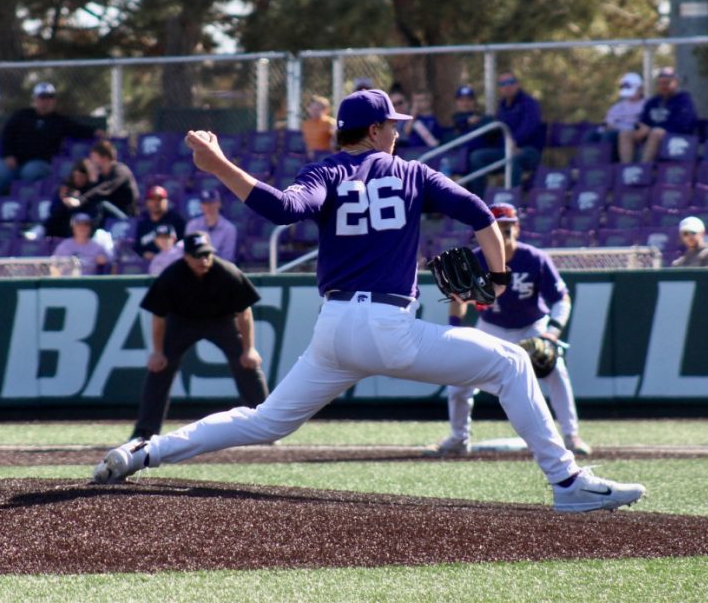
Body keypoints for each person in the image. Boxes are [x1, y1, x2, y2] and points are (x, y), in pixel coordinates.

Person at [92, 88, 645, 513]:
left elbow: (283, 209)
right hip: (388, 327)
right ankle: (568, 481)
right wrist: (498, 280)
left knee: (266, 422)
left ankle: (146, 450)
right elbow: (483, 217)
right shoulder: (411, 171)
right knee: (511, 362)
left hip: (333, 329)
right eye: (393, 127)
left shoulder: (326, 170)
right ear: (376, 129)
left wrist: (220, 168)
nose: (398, 135)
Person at [432, 203, 592, 459]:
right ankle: (459, 438)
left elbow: (562, 299)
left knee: (556, 371)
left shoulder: (534, 258)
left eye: (508, 227)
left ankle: (571, 435)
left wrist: (552, 333)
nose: (504, 233)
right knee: (458, 379)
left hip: (532, 326)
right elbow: (458, 298)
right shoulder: (475, 258)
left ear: (517, 227)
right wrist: (455, 330)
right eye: (498, 228)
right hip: (491, 327)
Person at [127, 231, 269, 441]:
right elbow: (159, 316)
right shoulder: (172, 275)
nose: (203, 260)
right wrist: (157, 352)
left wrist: (249, 348)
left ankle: (266, 425)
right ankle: (145, 431)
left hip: (222, 321)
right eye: (197, 256)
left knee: (247, 363)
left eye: (207, 255)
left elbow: (244, 312)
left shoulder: (227, 272)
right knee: (159, 367)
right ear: (186, 256)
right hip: (182, 322)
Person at [0, 82, 100, 197]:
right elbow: (6, 136)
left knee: (29, 172)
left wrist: (95, 132)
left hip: (41, 163)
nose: (46, 101)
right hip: (14, 160)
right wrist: (8, 155)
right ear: (35, 99)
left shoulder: (59, 121)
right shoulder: (22, 115)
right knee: (0, 173)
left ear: (53, 100)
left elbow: (78, 129)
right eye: (42, 97)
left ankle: (24, 206)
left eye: (49, 97)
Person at [468, 73, 547, 193]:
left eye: (510, 82)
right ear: (499, 88)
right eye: (503, 84)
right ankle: (479, 201)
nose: (507, 86)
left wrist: (514, 142)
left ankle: (512, 200)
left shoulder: (529, 103)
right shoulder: (502, 106)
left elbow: (529, 127)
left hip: (527, 150)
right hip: (505, 150)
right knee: (477, 157)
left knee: (512, 160)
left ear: (517, 84)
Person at [619, 67, 698, 164]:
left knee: (656, 132)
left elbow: (685, 124)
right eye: (661, 83)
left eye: (667, 83)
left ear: (676, 82)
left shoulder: (683, 99)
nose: (663, 86)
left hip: (678, 136)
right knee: (625, 133)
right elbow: (644, 120)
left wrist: (653, 128)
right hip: (654, 133)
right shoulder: (653, 101)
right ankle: (626, 168)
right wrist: (642, 128)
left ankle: (644, 167)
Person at [67, 139, 140, 222]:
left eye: (94, 157)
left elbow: (104, 190)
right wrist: (92, 181)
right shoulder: (101, 175)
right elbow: (92, 194)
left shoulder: (121, 171)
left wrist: (80, 200)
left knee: (100, 205)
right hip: (109, 217)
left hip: (126, 218)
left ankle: (91, 234)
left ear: (104, 158)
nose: (92, 161)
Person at [589, 72, 645, 159]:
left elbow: (640, 125)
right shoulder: (618, 106)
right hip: (612, 130)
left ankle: (606, 167)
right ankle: (588, 167)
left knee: (608, 136)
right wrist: (606, 126)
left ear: (640, 89)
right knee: (591, 135)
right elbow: (607, 122)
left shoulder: (646, 105)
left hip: (628, 134)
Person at [42, 158, 99, 238]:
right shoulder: (65, 188)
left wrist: (77, 203)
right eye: (76, 176)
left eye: (81, 177)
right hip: (62, 226)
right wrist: (63, 201)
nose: (78, 179)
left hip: (82, 226)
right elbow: (53, 211)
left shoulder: (91, 191)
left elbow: (92, 214)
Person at [184, 188, 238, 262]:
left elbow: (227, 257)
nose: (208, 207)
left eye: (212, 203)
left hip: (219, 268)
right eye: (205, 203)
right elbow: (187, 251)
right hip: (195, 266)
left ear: (219, 204)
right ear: (201, 206)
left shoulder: (229, 229)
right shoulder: (192, 225)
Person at [134, 185, 186, 260]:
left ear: (166, 201)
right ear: (147, 202)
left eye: (160, 199)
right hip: (148, 265)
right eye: (152, 199)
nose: (156, 202)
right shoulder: (143, 224)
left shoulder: (176, 221)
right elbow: (137, 247)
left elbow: (184, 243)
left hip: (172, 262)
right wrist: (144, 254)